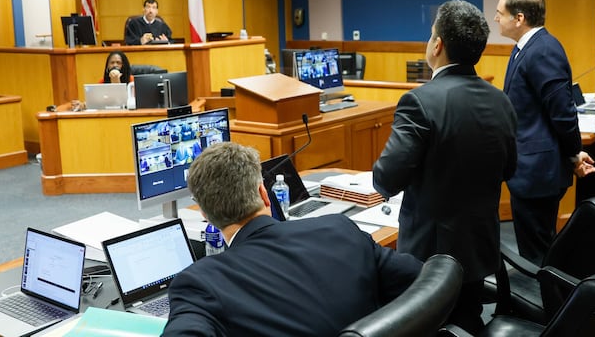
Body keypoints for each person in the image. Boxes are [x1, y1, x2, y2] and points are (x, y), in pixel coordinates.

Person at [163, 142, 422, 336]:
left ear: (205, 214)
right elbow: (426, 281)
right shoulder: (339, 229)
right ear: (264, 194)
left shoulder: (200, 282)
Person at [372, 0, 517, 334]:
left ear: (437, 45)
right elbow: (509, 170)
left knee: (429, 326)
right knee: (467, 320)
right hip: (479, 248)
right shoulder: (501, 101)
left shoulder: (420, 102)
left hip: (431, 256)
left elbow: (387, 178)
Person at [497, 0, 595, 265]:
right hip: (529, 166)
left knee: (537, 251)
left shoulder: (542, 50)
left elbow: (563, 112)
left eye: (499, 13)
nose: (496, 19)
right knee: (534, 245)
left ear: (519, 18)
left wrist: (574, 152)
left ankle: (547, 305)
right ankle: (545, 300)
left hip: (538, 171)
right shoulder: (523, 49)